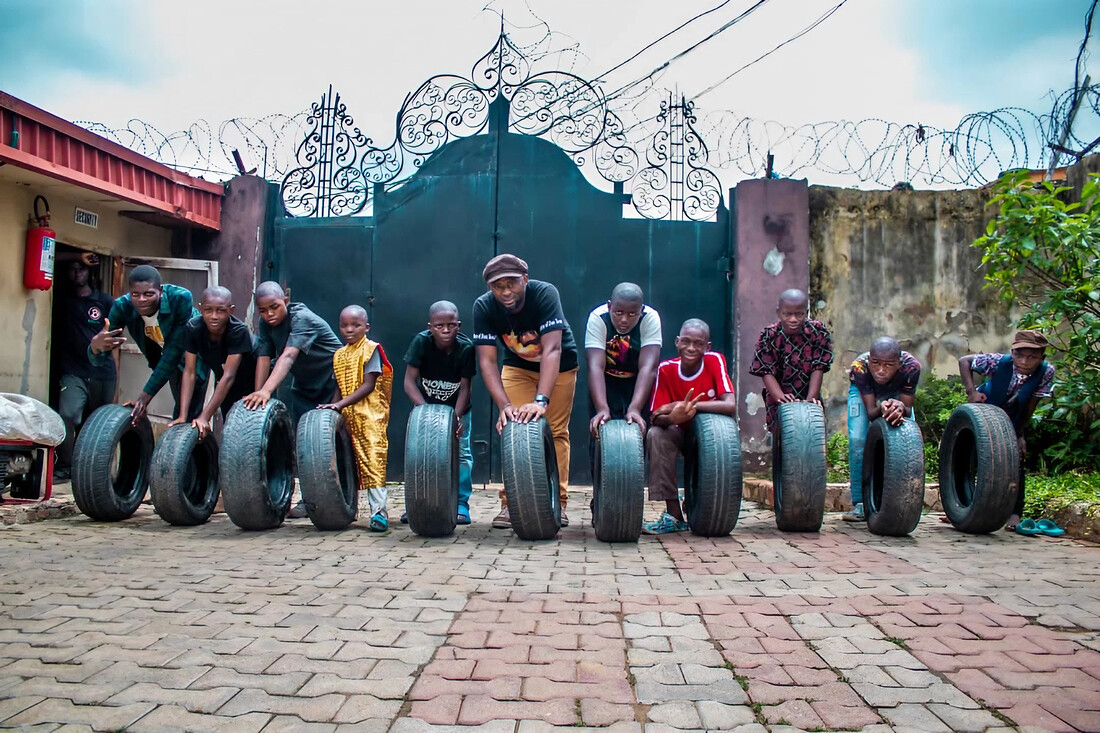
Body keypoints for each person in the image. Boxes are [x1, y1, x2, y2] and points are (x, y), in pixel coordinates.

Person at [472, 254, 579, 530]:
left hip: (559, 366)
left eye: (512, 284)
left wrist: (541, 400)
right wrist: (504, 405)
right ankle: (511, 503)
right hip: (517, 367)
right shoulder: (484, 307)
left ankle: (560, 502)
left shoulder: (545, 294)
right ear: (490, 289)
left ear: (526, 281)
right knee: (513, 428)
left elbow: (553, 350)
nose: (506, 292)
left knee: (555, 431)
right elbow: (486, 361)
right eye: (498, 287)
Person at [643, 319, 736, 534]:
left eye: (698, 343)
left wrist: (684, 406)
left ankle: (702, 502)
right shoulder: (666, 369)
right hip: (678, 432)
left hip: (712, 437)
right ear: (677, 342)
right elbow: (656, 416)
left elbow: (729, 404)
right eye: (685, 341)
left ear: (707, 347)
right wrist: (673, 417)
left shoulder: (714, 361)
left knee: (716, 445)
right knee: (656, 435)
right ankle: (673, 513)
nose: (691, 348)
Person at [958, 330, 1054, 532]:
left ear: (1041, 358)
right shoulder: (998, 362)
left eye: (1032, 357)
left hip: (1012, 415)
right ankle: (961, 506)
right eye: (1020, 355)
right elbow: (964, 361)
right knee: (970, 456)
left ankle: (1014, 512)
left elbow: (1031, 405)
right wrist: (971, 392)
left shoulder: (1046, 372)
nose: (1025, 361)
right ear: (1013, 351)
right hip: (985, 410)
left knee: (1016, 460)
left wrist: (1019, 434)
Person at [89, 265, 208, 424]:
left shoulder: (180, 298)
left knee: (187, 414)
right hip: (163, 355)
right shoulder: (122, 307)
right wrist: (95, 347)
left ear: (161, 290)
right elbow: (98, 361)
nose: (141, 300)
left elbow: (173, 353)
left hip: (194, 352)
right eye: (135, 294)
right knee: (182, 411)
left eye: (149, 294)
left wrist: (143, 399)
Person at [319, 305, 394, 531]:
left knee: (373, 459)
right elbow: (339, 388)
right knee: (347, 461)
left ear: (366, 327)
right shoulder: (339, 355)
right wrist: (333, 408)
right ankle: (346, 508)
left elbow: (369, 385)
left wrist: (339, 404)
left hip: (370, 415)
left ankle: (379, 512)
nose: (349, 329)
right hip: (348, 415)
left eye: (356, 325)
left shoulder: (372, 350)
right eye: (344, 325)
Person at [402, 301, 477, 525]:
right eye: (439, 326)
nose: (446, 330)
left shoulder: (466, 348)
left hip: (457, 409)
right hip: (424, 408)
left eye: (451, 325)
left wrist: (456, 418)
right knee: (418, 456)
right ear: (430, 327)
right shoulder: (421, 343)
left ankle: (461, 504)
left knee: (461, 454)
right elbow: (408, 383)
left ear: (459, 325)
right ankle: (415, 505)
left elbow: (466, 388)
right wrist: (425, 413)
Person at [843, 337, 922, 521]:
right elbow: (871, 413)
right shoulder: (860, 367)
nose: (880, 370)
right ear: (869, 360)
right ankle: (860, 503)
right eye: (876, 363)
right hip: (863, 391)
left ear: (899, 363)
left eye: (888, 365)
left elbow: (907, 410)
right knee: (857, 441)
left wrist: (899, 406)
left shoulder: (911, 367)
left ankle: (905, 501)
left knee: (910, 437)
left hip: (897, 391)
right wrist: (884, 406)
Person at [53, 259, 117, 481]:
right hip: (73, 370)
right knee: (67, 415)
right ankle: (66, 464)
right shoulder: (62, 300)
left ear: (90, 272)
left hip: (102, 373)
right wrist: (77, 254)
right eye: (72, 268)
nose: (76, 272)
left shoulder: (105, 301)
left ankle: (91, 471)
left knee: (97, 424)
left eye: (81, 268)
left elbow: (117, 334)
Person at [243, 281, 341, 425]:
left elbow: (288, 355)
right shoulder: (265, 323)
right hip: (306, 382)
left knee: (330, 429)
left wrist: (267, 391)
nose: (269, 314)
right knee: (303, 430)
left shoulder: (301, 318)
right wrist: (259, 393)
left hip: (333, 379)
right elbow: (263, 357)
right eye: (262, 311)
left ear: (286, 301)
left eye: (274, 307)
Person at [168, 286, 257, 440]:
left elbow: (229, 376)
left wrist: (205, 416)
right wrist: (183, 415)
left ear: (231, 311)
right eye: (208, 310)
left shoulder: (238, 331)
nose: (214, 316)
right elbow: (189, 372)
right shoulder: (193, 328)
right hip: (224, 382)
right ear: (200, 309)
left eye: (221, 311)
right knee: (230, 428)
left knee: (250, 430)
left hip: (251, 383)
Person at [748, 288, 833, 432]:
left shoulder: (817, 331)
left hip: (809, 392)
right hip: (779, 397)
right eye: (787, 314)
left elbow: (819, 367)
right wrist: (781, 398)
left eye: (799, 314)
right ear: (778, 312)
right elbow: (766, 371)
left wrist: (810, 400)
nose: (793, 319)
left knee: (812, 433)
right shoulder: (769, 335)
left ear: (806, 312)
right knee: (782, 438)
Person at [586, 282, 662, 438]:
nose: (624, 320)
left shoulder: (650, 318)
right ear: (609, 306)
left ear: (641, 311)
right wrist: (601, 408)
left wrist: (635, 408)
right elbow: (595, 367)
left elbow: (648, 367)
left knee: (638, 434)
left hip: (638, 384)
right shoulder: (598, 318)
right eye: (618, 312)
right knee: (599, 432)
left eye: (632, 314)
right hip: (605, 383)